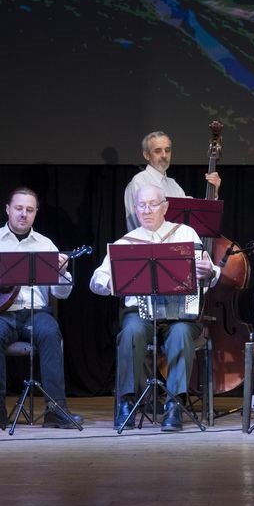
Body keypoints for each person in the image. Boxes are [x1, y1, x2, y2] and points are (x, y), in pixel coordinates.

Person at [92, 184, 220, 431]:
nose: (147, 210)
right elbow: (96, 280)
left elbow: (212, 274)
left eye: (153, 204)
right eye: (141, 205)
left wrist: (209, 271)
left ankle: (174, 404)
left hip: (180, 314)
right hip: (139, 312)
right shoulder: (126, 243)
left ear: (165, 207)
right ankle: (126, 402)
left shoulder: (186, 234)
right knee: (130, 332)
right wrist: (111, 281)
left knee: (182, 332)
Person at [0, 187, 84, 430]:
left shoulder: (46, 245)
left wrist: (62, 274)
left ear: (36, 213)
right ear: (7, 209)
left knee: (50, 332)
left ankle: (56, 410)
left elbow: (61, 294)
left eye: (29, 210)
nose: (23, 214)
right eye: (18, 208)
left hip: (35, 312)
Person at [123, 130, 220, 231]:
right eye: (158, 151)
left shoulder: (173, 184)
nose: (164, 155)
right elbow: (145, 225)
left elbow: (196, 213)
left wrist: (213, 192)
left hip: (174, 245)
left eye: (167, 150)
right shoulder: (140, 181)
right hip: (149, 245)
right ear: (147, 155)